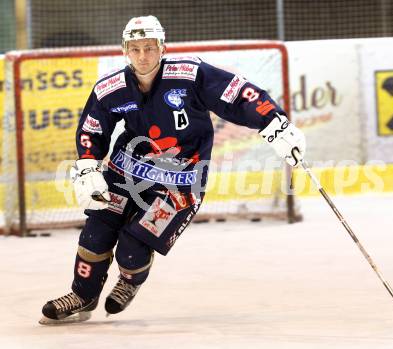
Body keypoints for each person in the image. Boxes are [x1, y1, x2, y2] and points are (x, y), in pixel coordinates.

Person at [39, 15, 306, 325]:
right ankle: (83, 295)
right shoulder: (111, 88)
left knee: (132, 247)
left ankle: (130, 279)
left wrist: (274, 122)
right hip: (125, 172)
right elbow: (93, 128)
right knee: (95, 234)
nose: (143, 56)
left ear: (162, 47)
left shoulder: (190, 75)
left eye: (149, 48)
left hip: (182, 183)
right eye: (135, 49)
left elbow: (238, 94)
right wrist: (87, 165)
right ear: (126, 50)